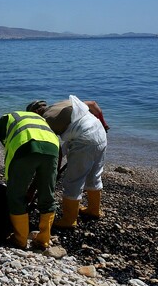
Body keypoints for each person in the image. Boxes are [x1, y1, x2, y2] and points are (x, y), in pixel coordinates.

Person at [0, 111, 60, 249]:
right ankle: (43, 241)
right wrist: (31, 191)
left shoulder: (6, 119)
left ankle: (20, 240)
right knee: (47, 196)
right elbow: (42, 174)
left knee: (16, 196)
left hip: (25, 146)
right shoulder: (40, 120)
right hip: (53, 148)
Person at [26, 95, 108, 228]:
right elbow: (93, 104)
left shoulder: (45, 121)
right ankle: (94, 210)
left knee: (73, 181)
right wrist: (104, 125)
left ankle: (69, 220)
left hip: (85, 138)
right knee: (94, 175)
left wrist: (54, 171)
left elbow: (55, 151)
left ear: (35, 113)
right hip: (99, 131)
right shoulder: (62, 103)